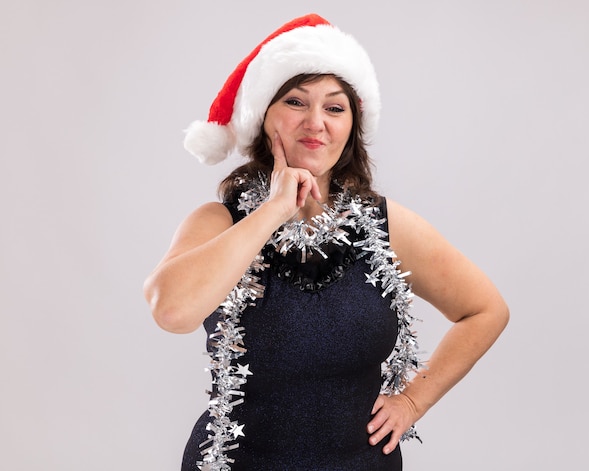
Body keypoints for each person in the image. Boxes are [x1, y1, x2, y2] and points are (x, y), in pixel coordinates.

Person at [143, 13, 509, 471]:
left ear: (351, 126)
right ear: (264, 117)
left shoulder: (386, 226)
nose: (315, 122)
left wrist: (413, 402)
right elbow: (171, 310)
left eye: (334, 108)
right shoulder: (217, 222)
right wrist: (274, 209)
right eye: (296, 102)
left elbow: (486, 310)